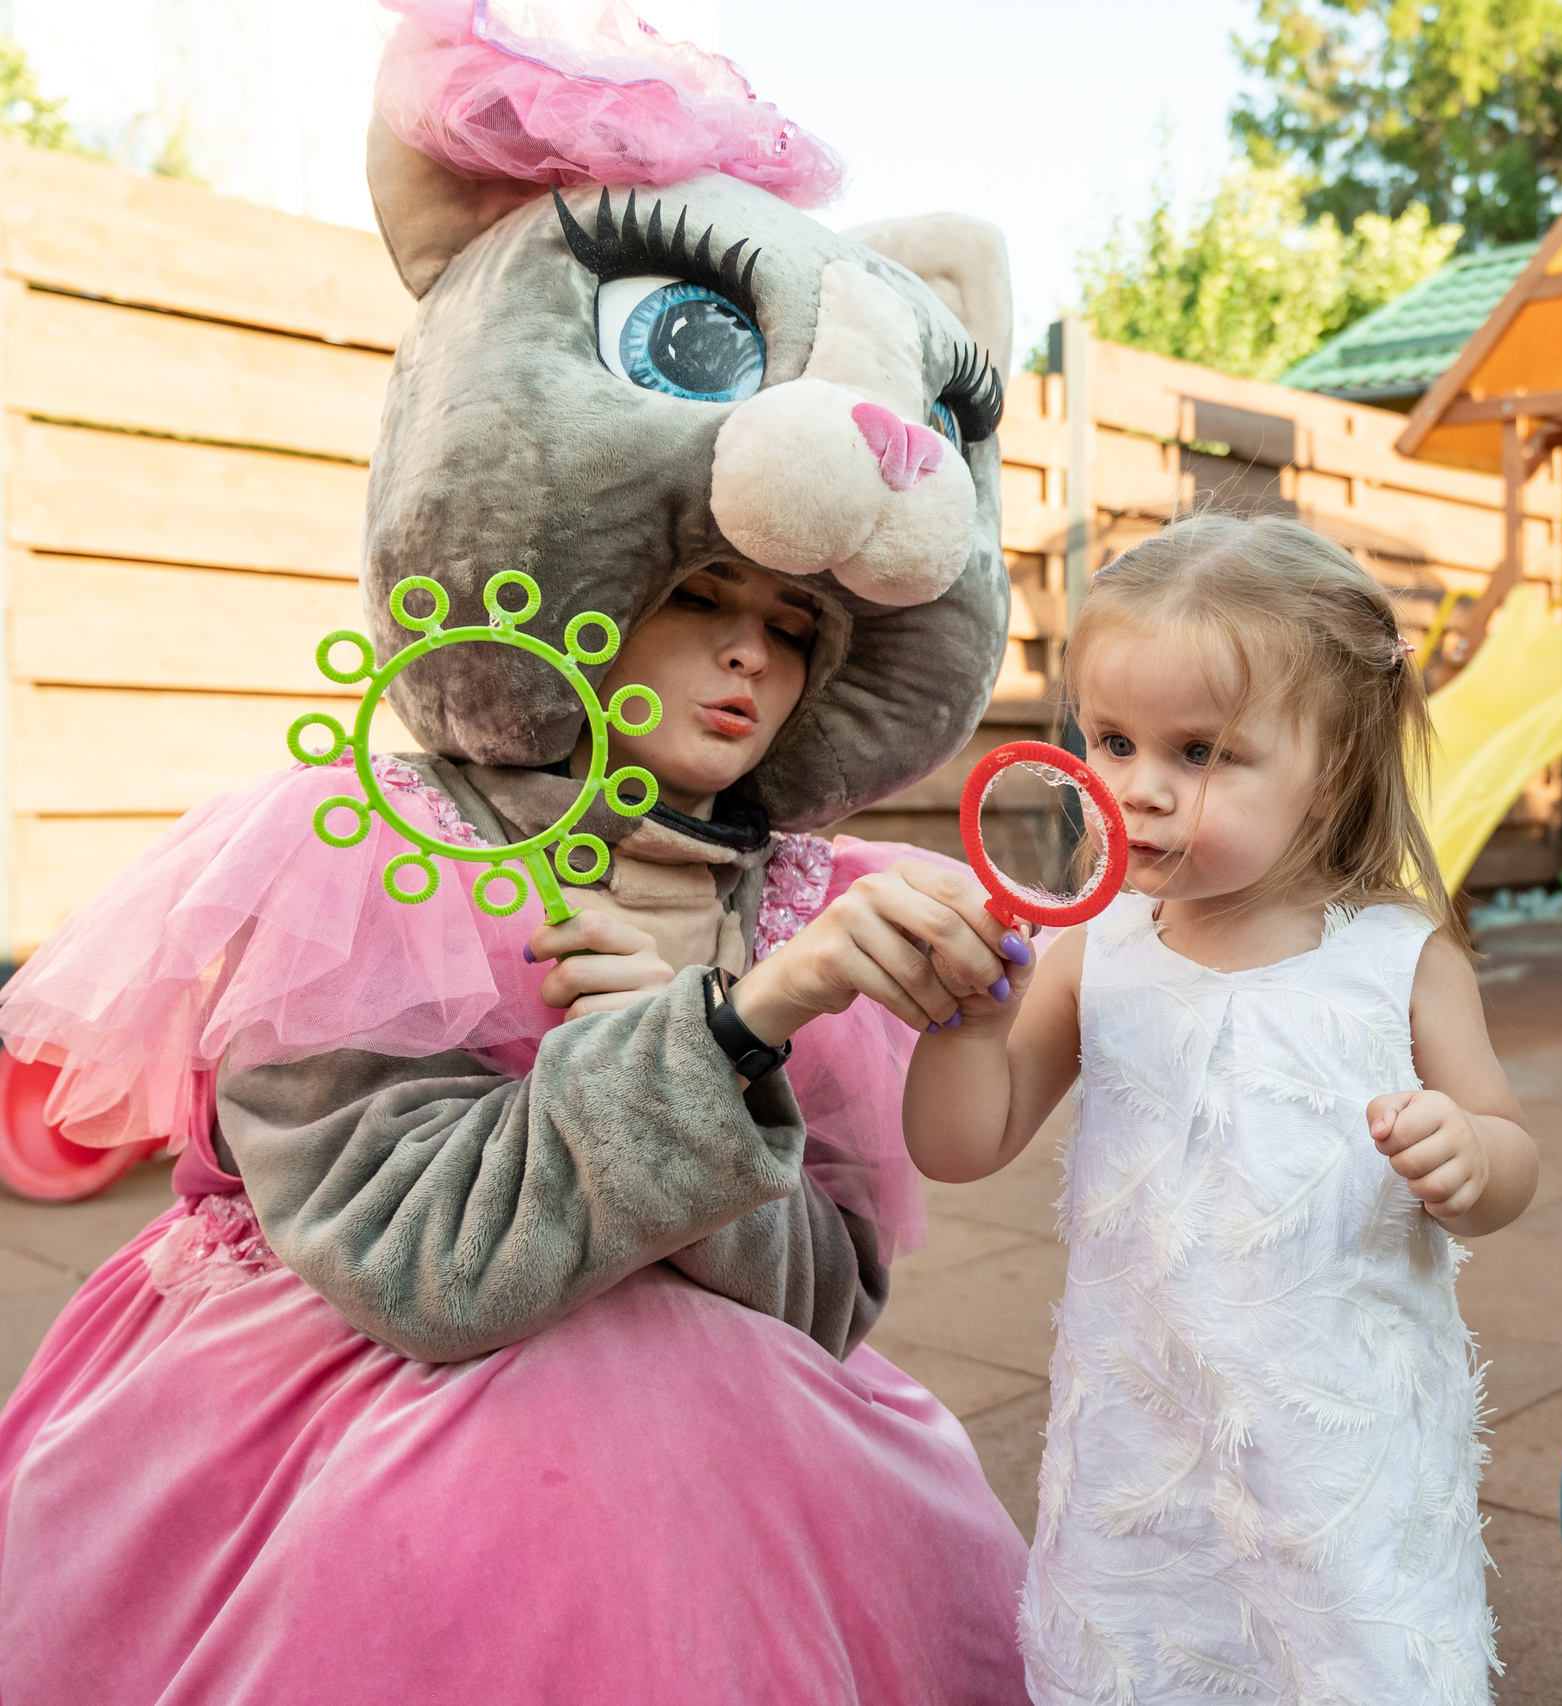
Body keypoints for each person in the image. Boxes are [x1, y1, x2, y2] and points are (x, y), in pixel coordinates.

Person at [0, 3, 1043, 1695]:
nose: (749, 660)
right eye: (703, 597)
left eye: (791, 628)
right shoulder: (370, 852)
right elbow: (416, 1262)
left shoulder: (793, 899)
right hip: (336, 1415)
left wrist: (758, 1028)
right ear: (591, 577)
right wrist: (706, 1039)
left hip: (732, 1442)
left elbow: (823, 1305)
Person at [847, 514, 1538, 1704]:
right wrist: (960, 1022)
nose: (1138, 790)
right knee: (1154, 1639)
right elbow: (964, 1143)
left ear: (1331, 771)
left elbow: (1513, 1150)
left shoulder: (1395, 959)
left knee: (1345, 1645)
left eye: (1200, 751)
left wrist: (1468, 1151)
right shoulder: (1093, 943)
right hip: (1141, 1413)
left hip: (1341, 1425)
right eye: (1111, 740)